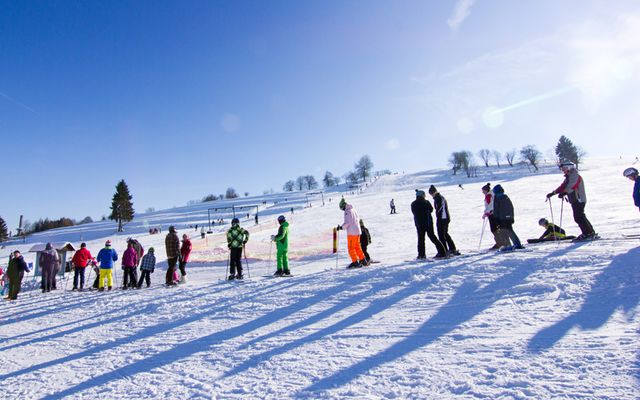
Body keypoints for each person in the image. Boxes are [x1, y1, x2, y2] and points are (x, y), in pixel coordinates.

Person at [546, 162, 596, 240]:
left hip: (578, 199)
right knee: (580, 216)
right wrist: (553, 193)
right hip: (575, 199)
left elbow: (572, 185)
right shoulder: (569, 177)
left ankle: (587, 234)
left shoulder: (574, 175)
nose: (563, 170)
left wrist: (565, 192)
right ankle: (590, 232)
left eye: (564, 169)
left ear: (569, 168)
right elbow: (563, 187)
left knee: (578, 217)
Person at [411, 189, 447, 259]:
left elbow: (413, 212)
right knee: (433, 237)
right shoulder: (426, 202)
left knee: (421, 239)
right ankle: (442, 252)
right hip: (428, 223)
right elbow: (431, 210)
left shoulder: (413, 203)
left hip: (419, 224)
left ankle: (421, 255)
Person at [337, 198, 368, 268]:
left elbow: (348, 222)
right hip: (357, 231)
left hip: (352, 232)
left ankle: (355, 262)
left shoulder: (347, 211)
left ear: (343, 205)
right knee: (357, 247)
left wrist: (341, 227)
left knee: (351, 248)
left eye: (341, 208)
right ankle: (363, 260)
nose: (342, 210)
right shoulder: (353, 209)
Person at [429, 185, 459, 256]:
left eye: (431, 194)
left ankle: (445, 250)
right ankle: (452, 248)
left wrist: (438, 217)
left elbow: (439, 209)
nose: (431, 195)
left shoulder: (438, 198)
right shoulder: (440, 197)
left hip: (442, 218)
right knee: (445, 233)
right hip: (445, 217)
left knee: (441, 235)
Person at [493, 184, 524, 250]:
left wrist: (496, 219)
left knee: (504, 232)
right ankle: (516, 244)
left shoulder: (497, 198)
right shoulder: (506, 197)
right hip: (508, 218)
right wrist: (512, 218)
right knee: (510, 231)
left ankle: (508, 245)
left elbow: (496, 209)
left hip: (501, 218)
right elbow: (511, 208)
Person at [481, 183, 502, 249]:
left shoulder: (488, 195)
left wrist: (486, 213)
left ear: (486, 190)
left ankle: (499, 243)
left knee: (494, 229)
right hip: (495, 213)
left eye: (483, 191)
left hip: (492, 214)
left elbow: (490, 205)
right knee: (496, 229)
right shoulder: (492, 194)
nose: (482, 192)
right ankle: (500, 242)